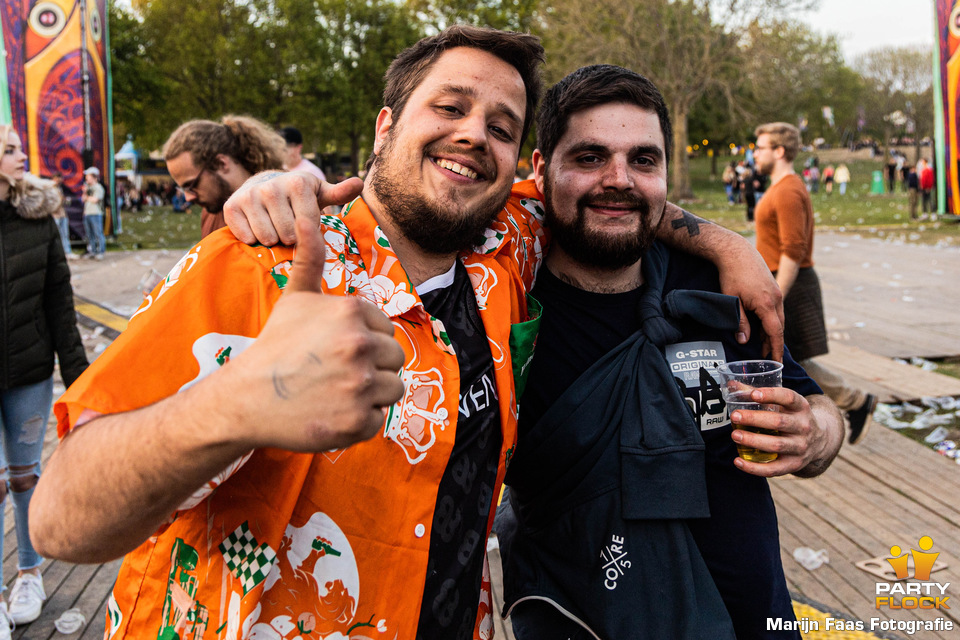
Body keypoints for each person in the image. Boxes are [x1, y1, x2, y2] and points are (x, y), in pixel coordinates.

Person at [33, 27, 784, 640]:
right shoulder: (261, 263)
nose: (471, 136)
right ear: (386, 125)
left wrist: (726, 245)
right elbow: (60, 520)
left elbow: (609, 193)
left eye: (499, 127)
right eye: (449, 108)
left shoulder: (504, 252)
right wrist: (236, 402)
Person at [494, 65, 842, 640]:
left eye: (643, 160)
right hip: (584, 618)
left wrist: (815, 434)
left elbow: (818, 411)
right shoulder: (499, 305)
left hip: (755, 619)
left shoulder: (715, 287)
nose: (619, 180)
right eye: (589, 158)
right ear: (539, 170)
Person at [0, 125, 89, 637]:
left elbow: (60, 302)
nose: (21, 156)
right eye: (9, 149)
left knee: (24, 477)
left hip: (30, 374)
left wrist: (80, 382)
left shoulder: (37, 216)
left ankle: (29, 574)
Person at [753, 122, 876, 445]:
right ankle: (853, 403)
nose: (755, 153)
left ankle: (855, 402)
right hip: (783, 282)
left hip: (790, 284)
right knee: (787, 360)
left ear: (779, 151)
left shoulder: (789, 190)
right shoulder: (780, 186)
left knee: (788, 361)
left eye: (760, 147)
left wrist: (775, 295)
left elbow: (793, 250)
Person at [162, 115, 286, 237]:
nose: (188, 198)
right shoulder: (210, 213)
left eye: (191, 185)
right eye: (183, 189)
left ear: (221, 164)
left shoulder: (280, 208)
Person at [80, 166, 106, 259]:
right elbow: (83, 199)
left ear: (94, 177)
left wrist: (87, 197)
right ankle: (93, 251)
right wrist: (85, 192)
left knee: (98, 233)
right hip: (87, 213)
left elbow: (95, 200)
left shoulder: (98, 188)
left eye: (88, 176)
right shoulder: (88, 188)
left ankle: (101, 252)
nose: (86, 178)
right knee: (89, 234)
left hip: (96, 213)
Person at [50, 172, 75, 258]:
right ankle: (58, 253)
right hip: (54, 215)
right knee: (56, 235)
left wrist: (65, 200)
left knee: (65, 234)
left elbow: (61, 200)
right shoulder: (50, 189)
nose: (59, 181)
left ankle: (67, 251)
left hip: (62, 214)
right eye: (57, 179)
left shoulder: (59, 188)